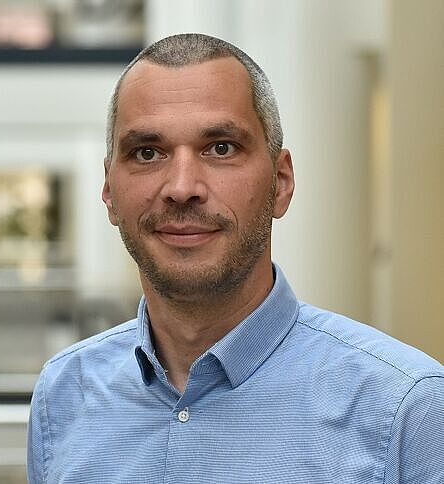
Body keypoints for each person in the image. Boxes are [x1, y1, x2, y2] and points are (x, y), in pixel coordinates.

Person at [27, 33, 443, 483]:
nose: (182, 187)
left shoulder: (405, 409)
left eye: (220, 148)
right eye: (147, 153)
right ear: (109, 191)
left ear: (280, 182)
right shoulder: (63, 395)